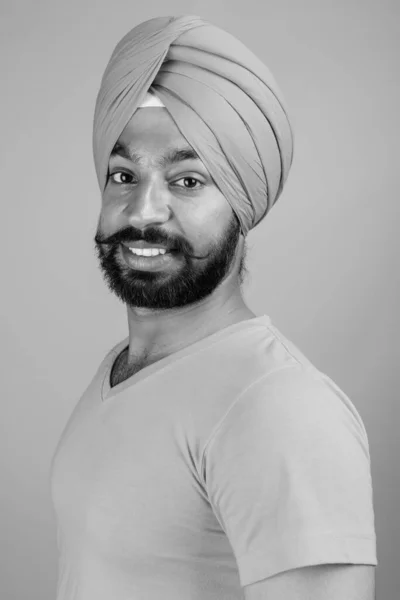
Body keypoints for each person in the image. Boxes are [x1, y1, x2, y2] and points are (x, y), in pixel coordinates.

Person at [50, 15, 377, 600]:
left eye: (188, 180)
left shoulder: (279, 407)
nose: (144, 211)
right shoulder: (124, 366)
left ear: (243, 202)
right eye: (124, 174)